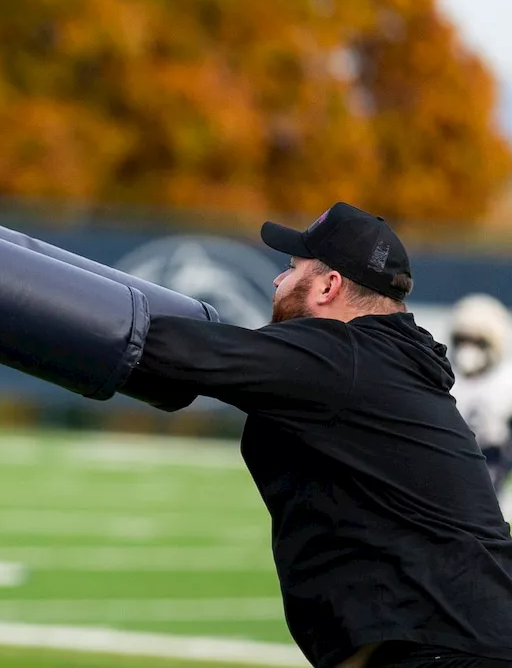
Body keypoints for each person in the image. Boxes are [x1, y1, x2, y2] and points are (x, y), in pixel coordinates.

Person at [117, 202, 512, 667]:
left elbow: (166, 349)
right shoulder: (381, 358)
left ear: (329, 285)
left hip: (449, 651)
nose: (277, 281)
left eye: (290, 268)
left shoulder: (343, 354)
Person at [449, 293, 512, 513]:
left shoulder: (506, 383)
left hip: (494, 472)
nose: (469, 350)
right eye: (463, 340)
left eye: (477, 341)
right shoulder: (444, 377)